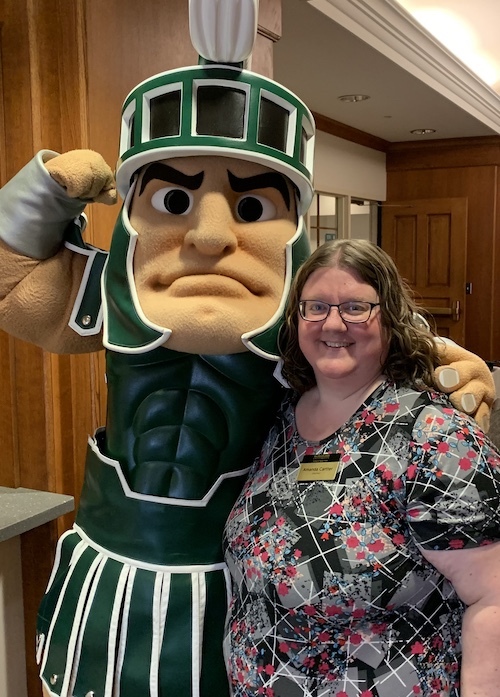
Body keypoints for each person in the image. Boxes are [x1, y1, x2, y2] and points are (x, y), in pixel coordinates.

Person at [224, 239, 500, 697]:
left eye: (356, 307)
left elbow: (491, 598)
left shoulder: (435, 436)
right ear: (296, 320)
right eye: (316, 307)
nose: (334, 323)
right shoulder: (278, 422)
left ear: (390, 318)